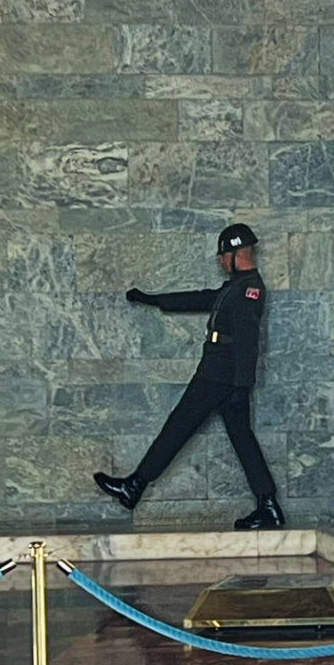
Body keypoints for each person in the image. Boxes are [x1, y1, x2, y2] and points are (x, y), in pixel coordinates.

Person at [93, 223, 285, 531]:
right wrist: (153, 300)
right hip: (223, 374)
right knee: (242, 439)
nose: (220, 261)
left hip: (220, 375)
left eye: (223, 255)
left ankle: (135, 486)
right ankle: (269, 506)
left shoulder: (250, 289)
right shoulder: (237, 287)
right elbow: (202, 298)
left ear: (237, 253)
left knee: (179, 425)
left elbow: (249, 342)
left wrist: (241, 385)